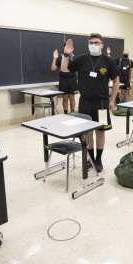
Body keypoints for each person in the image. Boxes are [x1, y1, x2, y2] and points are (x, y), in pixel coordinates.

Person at [61, 33, 119, 172]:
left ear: (102, 45)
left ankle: (98, 159)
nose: (94, 44)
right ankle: (90, 158)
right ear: (88, 44)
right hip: (85, 102)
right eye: (91, 42)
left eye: (97, 42)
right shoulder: (81, 59)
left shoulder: (108, 61)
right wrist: (66, 55)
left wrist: (112, 100)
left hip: (102, 104)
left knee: (100, 133)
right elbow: (64, 69)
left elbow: (116, 80)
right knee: (87, 134)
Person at [51, 48, 78, 114]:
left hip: (72, 79)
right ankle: (65, 113)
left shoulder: (75, 58)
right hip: (63, 79)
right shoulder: (61, 57)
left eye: (70, 47)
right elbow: (53, 68)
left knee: (72, 98)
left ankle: (73, 113)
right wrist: (54, 58)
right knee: (65, 98)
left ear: (73, 48)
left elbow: (78, 69)